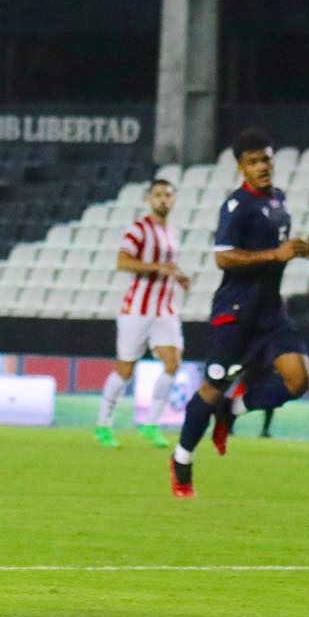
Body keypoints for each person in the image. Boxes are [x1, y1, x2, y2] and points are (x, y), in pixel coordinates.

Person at [168, 129, 309, 497]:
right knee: (211, 389)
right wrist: (275, 254)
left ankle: (231, 411)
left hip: (271, 312)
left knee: (298, 380)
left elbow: (278, 250)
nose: (262, 166)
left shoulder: (279, 200)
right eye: (253, 162)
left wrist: (304, 250)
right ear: (241, 167)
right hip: (237, 314)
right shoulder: (236, 206)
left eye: (266, 159)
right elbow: (223, 257)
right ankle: (182, 459)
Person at [94, 178, 190, 448]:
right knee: (125, 370)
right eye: (158, 195)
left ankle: (151, 424)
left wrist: (178, 276)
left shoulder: (173, 232)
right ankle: (103, 424)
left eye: (167, 195)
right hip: (137, 309)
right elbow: (122, 261)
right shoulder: (138, 229)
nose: (163, 200)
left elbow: (167, 266)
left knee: (173, 361)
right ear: (149, 199)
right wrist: (156, 267)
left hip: (164, 309)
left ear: (173, 200)